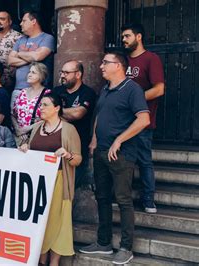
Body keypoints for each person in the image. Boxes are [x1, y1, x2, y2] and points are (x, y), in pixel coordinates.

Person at [79, 51, 150, 265]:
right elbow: (99, 114)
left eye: (105, 63)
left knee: (123, 199)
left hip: (121, 154)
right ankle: (104, 243)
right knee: (102, 197)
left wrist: (119, 139)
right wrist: (93, 139)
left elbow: (144, 119)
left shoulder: (132, 89)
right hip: (100, 151)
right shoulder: (106, 90)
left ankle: (126, 247)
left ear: (118, 66)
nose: (101, 66)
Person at [19, 93, 81, 266]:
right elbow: (29, 150)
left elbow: (78, 159)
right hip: (38, 183)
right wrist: (25, 148)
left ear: (57, 108)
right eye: (41, 105)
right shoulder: (37, 127)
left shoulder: (69, 130)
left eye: (45, 105)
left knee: (58, 222)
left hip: (59, 182)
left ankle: (54, 262)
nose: (41, 108)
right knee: (40, 222)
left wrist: (67, 155)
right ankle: (40, 259)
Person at [122, 23, 165, 214]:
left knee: (144, 161)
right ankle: (122, 197)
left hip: (142, 121)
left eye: (127, 36)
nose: (124, 39)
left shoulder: (150, 59)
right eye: (123, 36)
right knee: (123, 161)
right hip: (122, 121)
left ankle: (148, 199)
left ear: (138, 37)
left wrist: (134, 101)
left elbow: (159, 89)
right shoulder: (122, 62)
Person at [53, 60, 97, 189]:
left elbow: (78, 114)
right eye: (61, 72)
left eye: (66, 73)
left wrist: (56, 112)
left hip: (78, 144)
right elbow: (45, 112)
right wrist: (61, 113)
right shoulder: (56, 90)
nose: (62, 75)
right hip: (56, 142)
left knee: (71, 185)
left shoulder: (87, 92)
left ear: (78, 74)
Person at [8, 10, 55, 106]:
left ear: (33, 21)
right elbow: (10, 60)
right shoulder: (20, 40)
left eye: (24, 21)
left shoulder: (47, 38)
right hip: (18, 89)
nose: (21, 24)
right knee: (14, 118)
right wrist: (31, 57)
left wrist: (19, 53)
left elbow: (38, 56)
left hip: (38, 90)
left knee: (36, 118)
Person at [11, 62, 51, 145]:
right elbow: (13, 115)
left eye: (33, 72)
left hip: (37, 136)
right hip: (20, 137)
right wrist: (18, 130)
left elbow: (49, 117)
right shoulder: (22, 92)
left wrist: (27, 129)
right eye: (29, 72)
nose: (29, 74)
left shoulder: (47, 94)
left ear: (41, 76)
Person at [0, 10, 23, 90]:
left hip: (12, 79)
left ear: (9, 22)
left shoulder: (18, 37)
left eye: (2, 19)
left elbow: (22, 56)